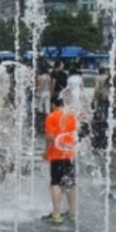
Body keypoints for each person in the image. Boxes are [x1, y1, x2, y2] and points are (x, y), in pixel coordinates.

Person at [41, 96, 77, 224]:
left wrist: (46, 152)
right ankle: (72, 212)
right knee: (70, 183)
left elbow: (50, 137)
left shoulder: (51, 116)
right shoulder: (72, 116)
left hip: (56, 154)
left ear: (54, 104)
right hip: (70, 154)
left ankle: (56, 214)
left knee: (55, 183)